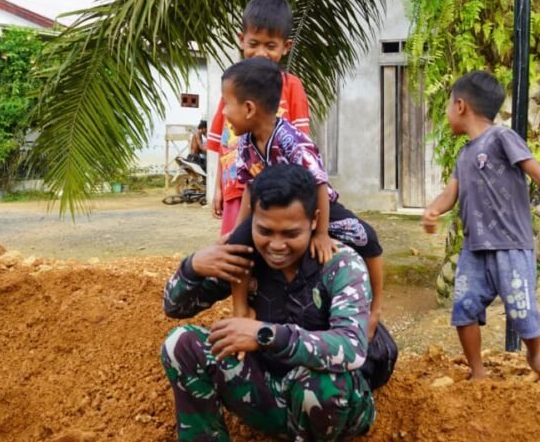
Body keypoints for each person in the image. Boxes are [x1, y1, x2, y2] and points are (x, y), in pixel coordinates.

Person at [161, 164, 380, 442]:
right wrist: (192, 267)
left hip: (329, 405)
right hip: (264, 392)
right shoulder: (243, 258)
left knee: (324, 383)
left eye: (290, 234)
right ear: (252, 217)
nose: (276, 246)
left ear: (314, 221)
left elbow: (352, 348)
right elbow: (174, 307)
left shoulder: (341, 264)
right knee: (181, 344)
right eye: (265, 231)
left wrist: (266, 335)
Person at [421, 71, 540, 380]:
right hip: (474, 249)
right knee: (464, 309)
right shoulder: (464, 154)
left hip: (511, 245)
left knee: (521, 309)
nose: (446, 114)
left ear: (460, 106)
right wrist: (433, 209)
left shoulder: (502, 137)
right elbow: (451, 193)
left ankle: (535, 355)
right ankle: (477, 371)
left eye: (447, 106)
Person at [221, 57, 385, 339]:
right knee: (237, 245)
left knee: (365, 236)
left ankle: (375, 309)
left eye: (227, 103)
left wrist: (320, 233)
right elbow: (248, 187)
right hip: (271, 211)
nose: (224, 111)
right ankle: (240, 309)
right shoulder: (246, 143)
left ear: (249, 108)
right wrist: (238, 230)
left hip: (315, 206)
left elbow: (319, 183)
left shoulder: (290, 139)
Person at [206, 0, 311, 236]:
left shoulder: (292, 87)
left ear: (286, 47)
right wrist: (218, 188)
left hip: (275, 193)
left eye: (270, 46)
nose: (261, 53)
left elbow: (302, 148)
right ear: (242, 40)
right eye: (254, 44)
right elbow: (225, 141)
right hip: (235, 190)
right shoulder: (231, 87)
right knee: (236, 249)